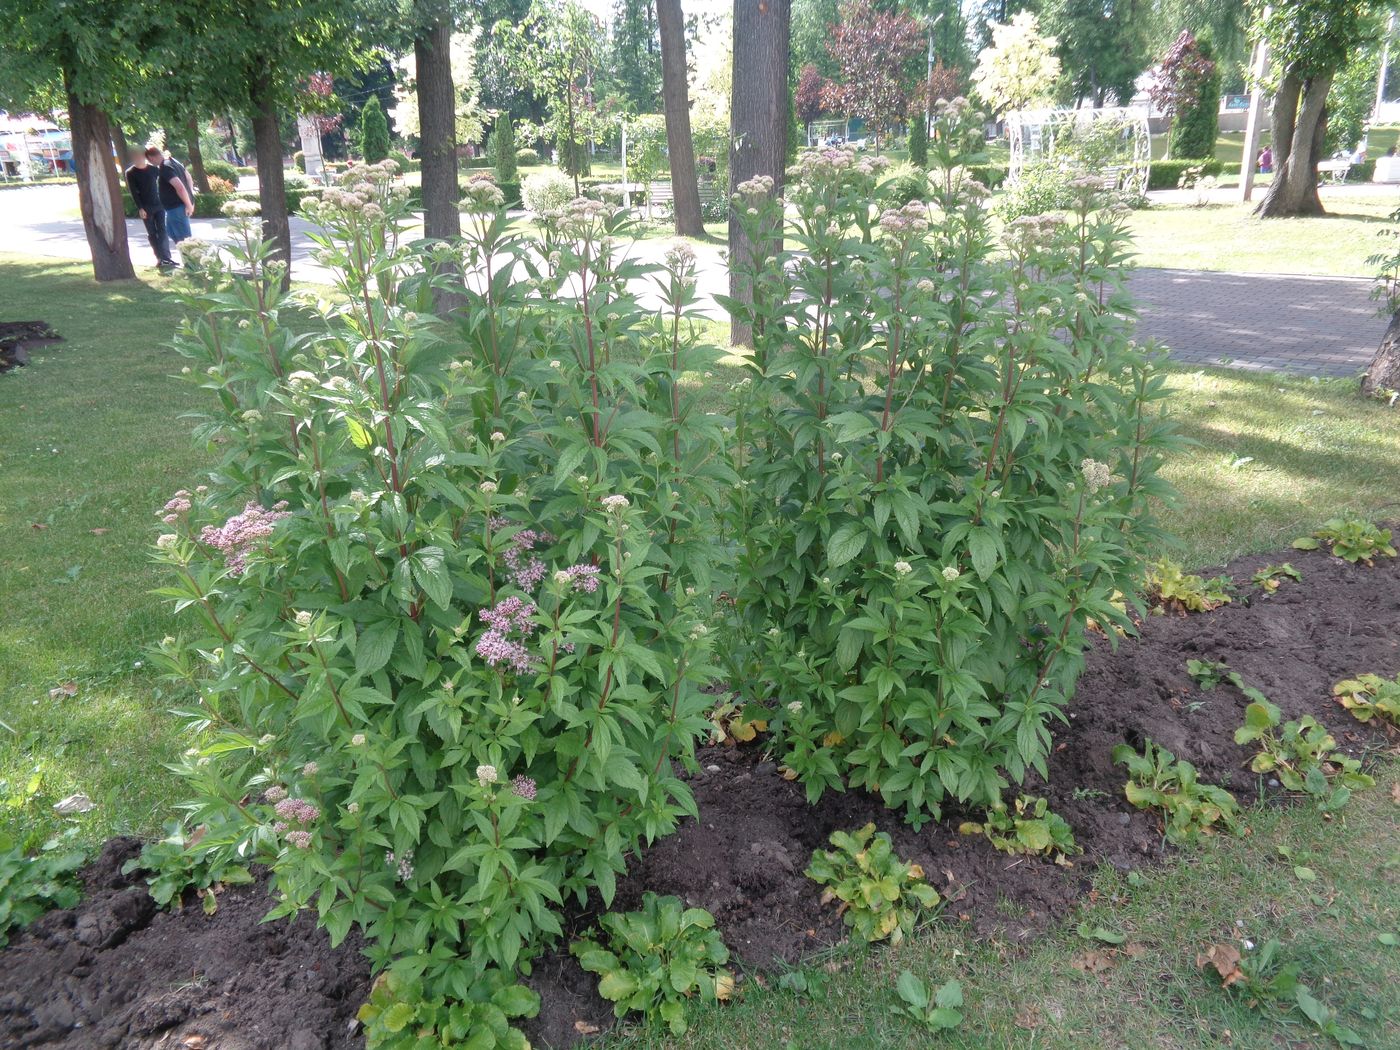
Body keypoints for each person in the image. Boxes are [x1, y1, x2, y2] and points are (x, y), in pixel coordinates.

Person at [124, 149, 179, 270]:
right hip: (146, 207)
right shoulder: (131, 173)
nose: (138, 159)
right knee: (152, 233)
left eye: (140, 156)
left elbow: (163, 184)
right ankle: (159, 258)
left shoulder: (154, 170)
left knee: (163, 231)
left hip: (159, 205)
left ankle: (166, 257)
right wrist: (140, 208)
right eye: (135, 157)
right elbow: (134, 192)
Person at [145, 146, 196, 256]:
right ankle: (189, 264)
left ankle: (192, 266)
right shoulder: (174, 162)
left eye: (149, 161)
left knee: (184, 240)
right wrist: (190, 197)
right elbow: (189, 178)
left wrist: (188, 204)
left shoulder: (165, 167)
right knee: (171, 232)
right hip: (173, 208)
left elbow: (180, 187)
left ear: (151, 158)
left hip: (177, 207)